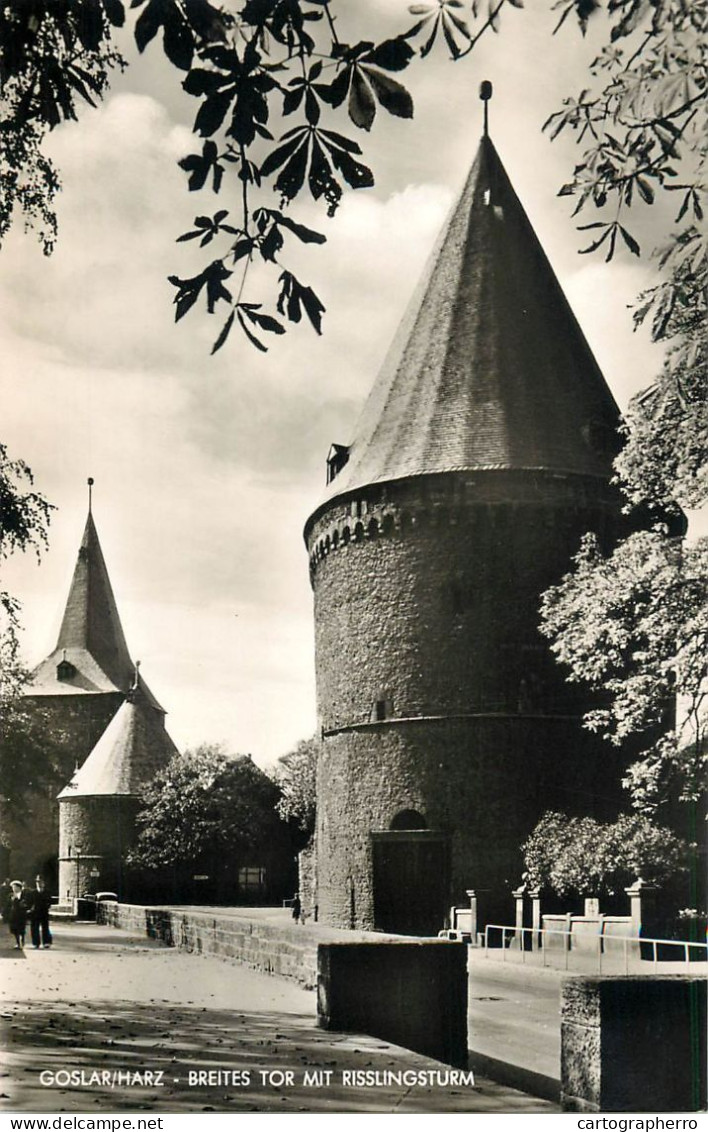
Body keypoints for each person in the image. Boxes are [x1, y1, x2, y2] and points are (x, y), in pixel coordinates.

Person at [29, 876, 53, 949]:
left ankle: (46, 942)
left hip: (44, 912)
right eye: (37, 882)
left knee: (45, 927)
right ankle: (36, 943)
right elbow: (30, 902)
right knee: (34, 928)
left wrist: (47, 906)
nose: (38, 884)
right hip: (35, 913)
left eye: (40, 882)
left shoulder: (47, 892)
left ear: (44, 883)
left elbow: (50, 901)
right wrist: (31, 909)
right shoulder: (33, 892)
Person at [7, 881, 28, 949]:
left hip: (21, 915)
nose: (14, 889)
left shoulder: (24, 895)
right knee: (14, 929)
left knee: (21, 929)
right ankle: (17, 943)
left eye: (15, 887)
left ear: (19, 888)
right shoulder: (10, 895)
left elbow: (26, 904)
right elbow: (7, 905)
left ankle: (22, 941)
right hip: (13, 915)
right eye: (13, 887)